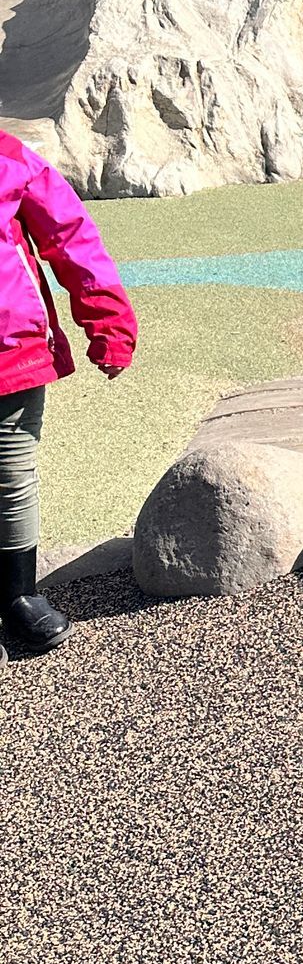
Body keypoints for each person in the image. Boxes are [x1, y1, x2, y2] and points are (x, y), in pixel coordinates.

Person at [1, 126, 138, 655]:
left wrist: (108, 322)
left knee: (11, 475)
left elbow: (72, 239)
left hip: (8, 351)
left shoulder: (9, 159)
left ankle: (17, 596)